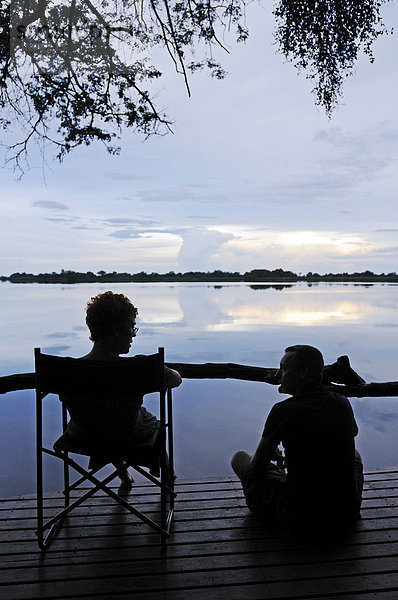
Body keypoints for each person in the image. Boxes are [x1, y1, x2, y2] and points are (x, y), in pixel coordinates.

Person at [231, 344, 363, 537]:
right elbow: (353, 432)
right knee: (356, 454)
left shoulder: (283, 410)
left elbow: (257, 467)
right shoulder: (341, 401)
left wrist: (272, 450)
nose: (278, 375)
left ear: (302, 373)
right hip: (345, 514)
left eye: (283, 369)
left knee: (240, 458)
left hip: (300, 517)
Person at [60, 291, 181, 488]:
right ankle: (168, 476)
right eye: (131, 326)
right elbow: (175, 379)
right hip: (127, 436)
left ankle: (124, 474)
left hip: (83, 436)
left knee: (103, 415)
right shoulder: (139, 367)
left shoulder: (67, 370)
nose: (133, 334)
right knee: (151, 422)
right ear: (116, 329)